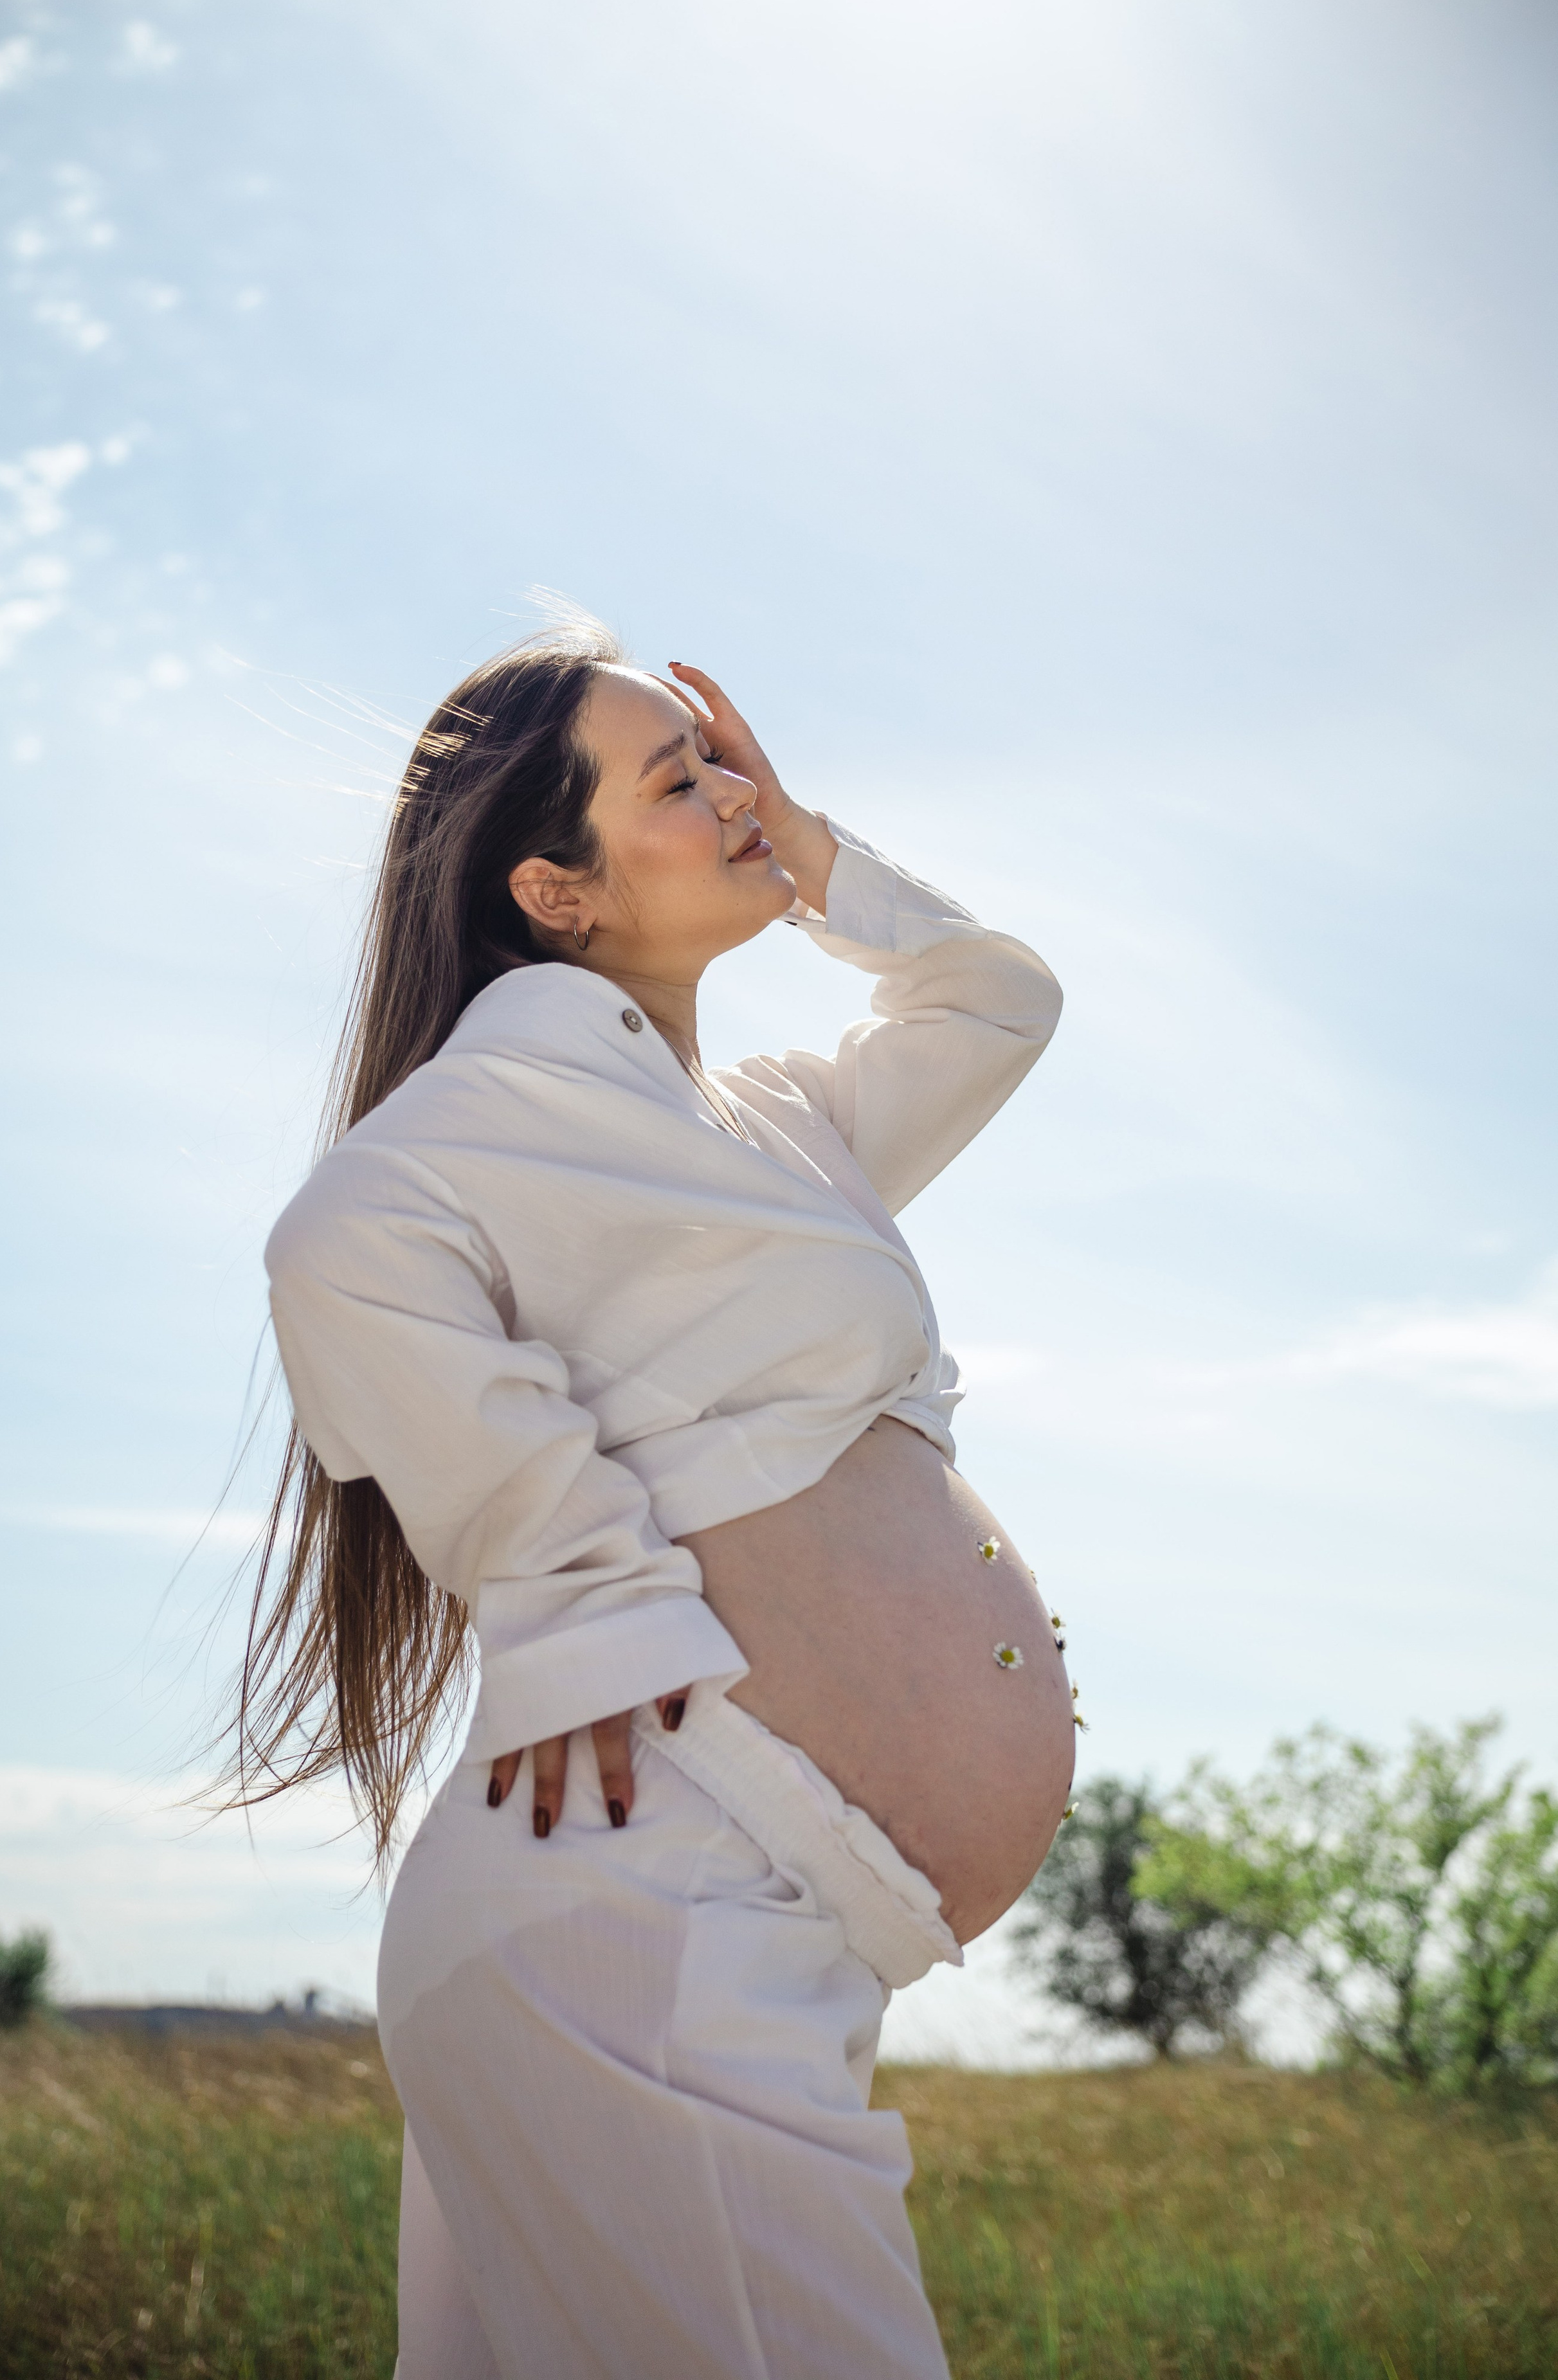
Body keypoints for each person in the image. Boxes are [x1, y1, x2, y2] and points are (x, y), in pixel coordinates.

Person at [239, 617, 1073, 2378]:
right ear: (558, 891)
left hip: (723, 1925)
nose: (730, 794)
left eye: (721, 763)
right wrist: (575, 1590)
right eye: (675, 778)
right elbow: (335, 1249)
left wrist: (815, 846)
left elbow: (1001, 999)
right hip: (642, 1913)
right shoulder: (503, 1105)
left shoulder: (774, 1125)